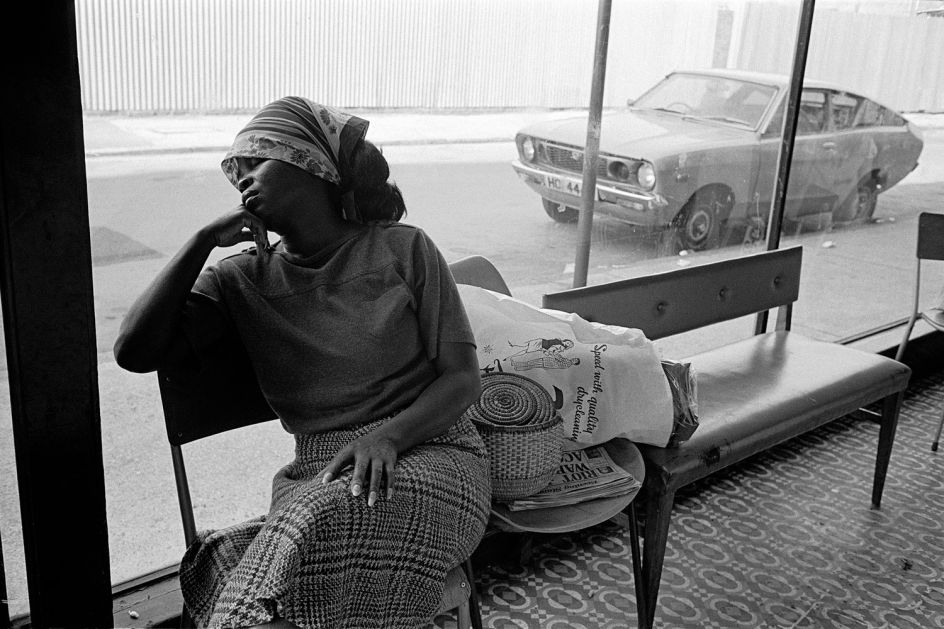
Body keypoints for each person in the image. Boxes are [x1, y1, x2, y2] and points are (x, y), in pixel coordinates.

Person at [113, 96, 491, 628]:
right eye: (235, 172)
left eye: (256, 163)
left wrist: (387, 437)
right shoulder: (240, 278)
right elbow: (134, 351)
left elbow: (461, 378)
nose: (242, 181)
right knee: (218, 557)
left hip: (433, 453)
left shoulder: (403, 249)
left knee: (306, 536)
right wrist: (201, 242)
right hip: (321, 470)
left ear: (311, 163)